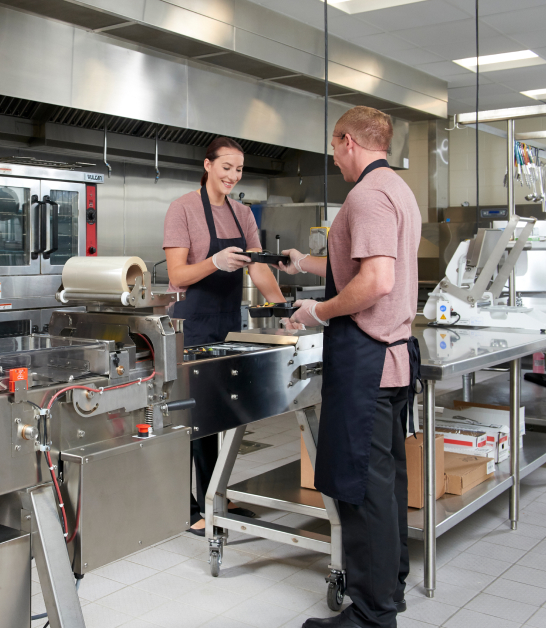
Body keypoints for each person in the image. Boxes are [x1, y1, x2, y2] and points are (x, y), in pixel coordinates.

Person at [280, 106, 420, 628]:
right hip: (392, 358)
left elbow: (376, 282)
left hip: (367, 361)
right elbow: (364, 265)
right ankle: (389, 591)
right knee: (384, 483)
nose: (334, 157)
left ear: (346, 142)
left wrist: (317, 310)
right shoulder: (397, 190)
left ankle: (371, 614)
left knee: (359, 487)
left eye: (333, 147)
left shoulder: (365, 196)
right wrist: (307, 263)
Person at [163, 137, 288, 537]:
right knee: (192, 417)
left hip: (225, 321)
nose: (233, 176)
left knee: (220, 414)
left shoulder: (243, 213)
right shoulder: (182, 208)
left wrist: (282, 310)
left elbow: (259, 268)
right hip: (191, 322)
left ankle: (214, 495)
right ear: (208, 165)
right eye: (226, 167)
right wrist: (213, 262)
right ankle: (188, 506)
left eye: (238, 169)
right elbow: (178, 275)